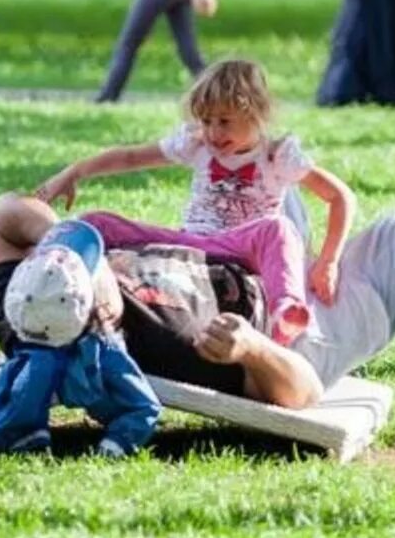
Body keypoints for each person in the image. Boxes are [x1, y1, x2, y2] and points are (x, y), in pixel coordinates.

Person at [0, 190, 395, 445]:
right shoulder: (144, 353)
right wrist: (249, 348)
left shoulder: (24, 300)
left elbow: (4, 214)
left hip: (256, 265)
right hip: (295, 335)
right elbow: (297, 390)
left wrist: (71, 243)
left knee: (282, 190)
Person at [38, 59, 353, 348]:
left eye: (225, 121)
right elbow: (131, 156)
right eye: (207, 120)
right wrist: (74, 172)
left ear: (256, 113)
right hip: (191, 241)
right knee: (96, 222)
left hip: (242, 248)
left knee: (280, 229)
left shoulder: (277, 155)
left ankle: (286, 312)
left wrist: (328, 262)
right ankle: (44, 275)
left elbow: (339, 197)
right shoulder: (196, 144)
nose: (214, 132)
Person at [0, 219, 160, 458]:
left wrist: (13, 432)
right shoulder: (105, 351)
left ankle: (27, 436)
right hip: (95, 373)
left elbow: (11, 401)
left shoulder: (28, 359)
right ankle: (115, 440)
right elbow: (143, 406)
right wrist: (119, 441)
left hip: (43, 351)